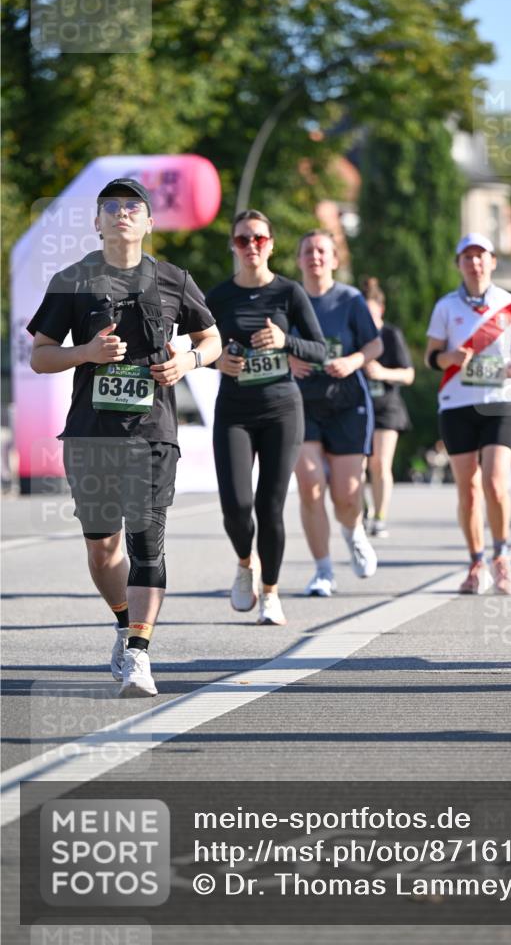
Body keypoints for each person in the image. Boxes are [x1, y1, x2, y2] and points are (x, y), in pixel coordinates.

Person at [27, 178, 221, 696]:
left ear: (150, 222)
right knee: (102, 548)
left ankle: (138, 652)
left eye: (133, 206)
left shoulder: (175, 279)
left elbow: (212, 338)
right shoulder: (73, 279)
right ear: (97, 222)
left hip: (153, 433)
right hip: (90, 435)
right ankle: (122, 620)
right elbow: (40, 356)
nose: (121, 213)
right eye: (110, 206)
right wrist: (85, 354)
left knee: (147, 541)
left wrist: (189, 361)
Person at [206, 210, 326, 626]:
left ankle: (271, 593)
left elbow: (319, 349)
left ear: (271, 245)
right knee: (236, 506)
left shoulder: (289, 292)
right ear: (233, 246)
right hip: (234, 413)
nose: (251, 246)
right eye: (243, 239)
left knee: (269, 505)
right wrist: (217, 361)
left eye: (259, 238)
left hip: (281, 411)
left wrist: (284, 340)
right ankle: (246, 563)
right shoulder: (219, 297)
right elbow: (195, 344)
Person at [424, 233, 511, 595]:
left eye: (481, 256)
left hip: (499, 401)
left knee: (495, 484)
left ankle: (502, 556)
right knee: (468, 490)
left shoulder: (510, 304)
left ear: (493, 261)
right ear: (459, 264)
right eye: (467, 257)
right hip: (457, 404)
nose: (475, 263)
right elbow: (431, 357)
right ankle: (475, 561)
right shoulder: (446, 307)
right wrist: (449, 358)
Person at [291, 230, 383, 597]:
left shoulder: (350, 299)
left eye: (321, 251)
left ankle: (353, 531)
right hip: (302, 402)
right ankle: (323, 570)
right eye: (308, 251)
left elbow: (375, 344)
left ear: (334, 259)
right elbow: (270, 341)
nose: (315, 256)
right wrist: (286, 359)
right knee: (310, 486)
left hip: (346, 402)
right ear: (298, 259)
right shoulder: (288, 298)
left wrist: (353, 361)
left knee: (346, 494)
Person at [361, 277, 414, 537]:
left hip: (387, 407)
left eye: (371, 313)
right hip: (358, 406)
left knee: (380, 464)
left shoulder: (391, 335)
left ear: (381, 310)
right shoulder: (354, 335)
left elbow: (408, 374)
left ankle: (380, 517)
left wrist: (382, 372)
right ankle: (363, 509)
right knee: (357, 466)